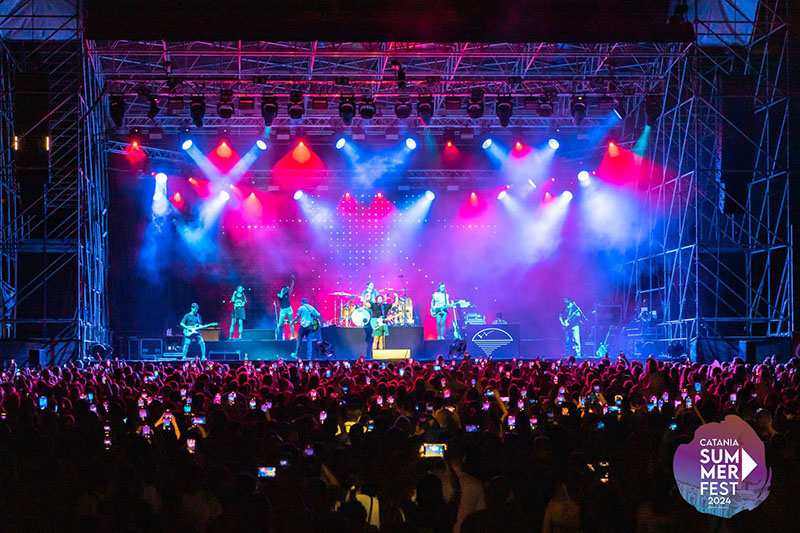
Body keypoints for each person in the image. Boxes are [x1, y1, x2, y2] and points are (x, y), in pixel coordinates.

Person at [275, 275, 295, 340]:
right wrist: (282, 290)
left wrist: (293, 281)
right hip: (283, 310)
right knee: (280, 323)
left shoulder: (287, 294)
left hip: (289, 309)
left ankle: (292, 336)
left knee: (291, 322)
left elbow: (291, 289)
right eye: (286, 289)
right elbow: (280, 296)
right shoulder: (279, 294)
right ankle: (276, 335)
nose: (287, 290)